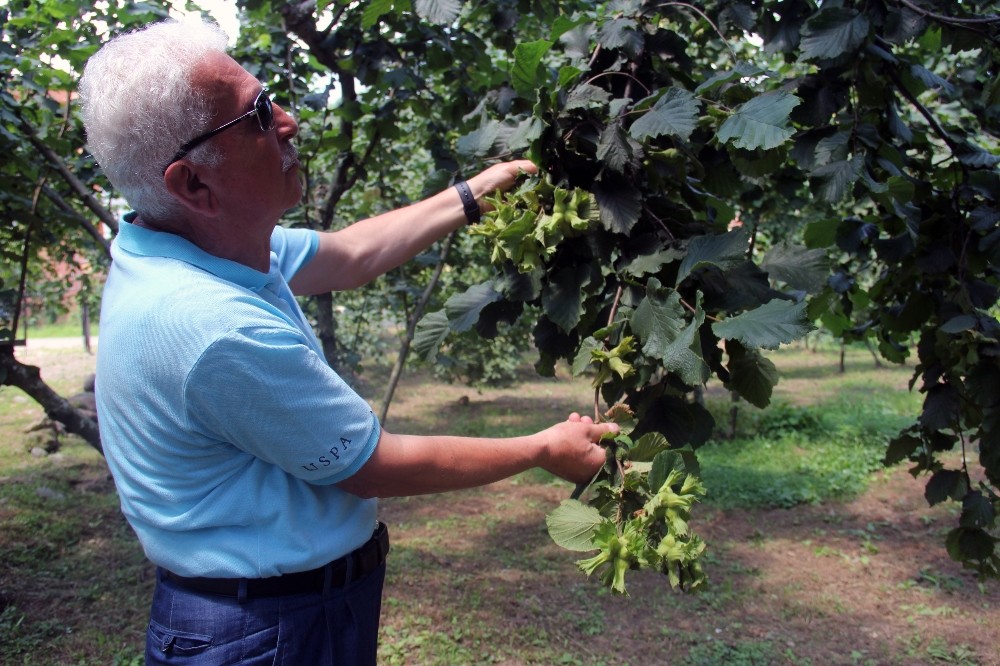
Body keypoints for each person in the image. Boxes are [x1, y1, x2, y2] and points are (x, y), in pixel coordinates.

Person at [78, 18, 616, 665]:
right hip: (262, 634)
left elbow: (352, 254)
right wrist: (539, 449)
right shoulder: (210, 327)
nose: (288, 122)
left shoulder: (196, 245)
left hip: (272, 612)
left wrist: (474, 195)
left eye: (269, 96)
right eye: (255, 116)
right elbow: (372, 467)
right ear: (193, 184)